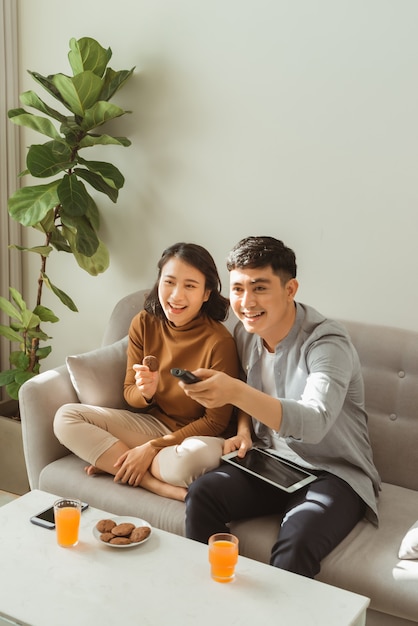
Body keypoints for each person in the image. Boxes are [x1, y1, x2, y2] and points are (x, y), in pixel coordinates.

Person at [181, 235, 381, 578]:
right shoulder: (247, 334)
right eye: (238, 289)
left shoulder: (327, 343)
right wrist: (243, 429)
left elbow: (315, 422)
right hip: (271, 464)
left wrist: (234, 392)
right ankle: (206, 598)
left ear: (291, 290)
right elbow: (249, 389)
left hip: (333, 472)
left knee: (298, 542)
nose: (246, 302)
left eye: (259, 288)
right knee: (203, 493)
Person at [54, 242, 239, 502]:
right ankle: (152, 483)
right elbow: (129, 393)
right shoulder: (144, 322)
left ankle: (114, 461)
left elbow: (216, 422)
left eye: (190, 286)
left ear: (207, 293)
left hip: (197, 436)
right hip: (153, 425)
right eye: (169, 282)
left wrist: (151, 448)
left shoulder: (219, 343)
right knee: (66, 417)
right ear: (159, 281)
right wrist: (146, 394)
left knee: (187, 464)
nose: (176, 296)